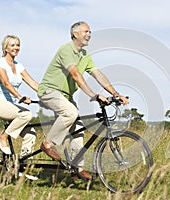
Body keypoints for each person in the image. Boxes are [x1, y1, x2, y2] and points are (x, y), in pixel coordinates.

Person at [37, 21, 129, 180]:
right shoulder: (66, 50)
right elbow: (76, 75)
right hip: (50, 91)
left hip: (66, 96)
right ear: (75, 34)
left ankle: (76, 168)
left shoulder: (85, 55)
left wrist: (115, 93)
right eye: (86, 31)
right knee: (71, 112)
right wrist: (93, 95)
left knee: (78, 128)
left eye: (90, 32)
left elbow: (97, 74)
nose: (89, 34)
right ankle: (48, 143)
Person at [0, 35, 39, 160]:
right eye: (13, 45)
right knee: (26, 114)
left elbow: (33, 83)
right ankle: (3, 137)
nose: (16, 48)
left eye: (18, 45)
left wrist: (49, 94)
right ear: (6, 48)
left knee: (30, 134)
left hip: (11, 105)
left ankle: (24, 166)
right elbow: (6, 83)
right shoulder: (0, 64)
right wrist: (20, 96)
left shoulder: (19, 66)